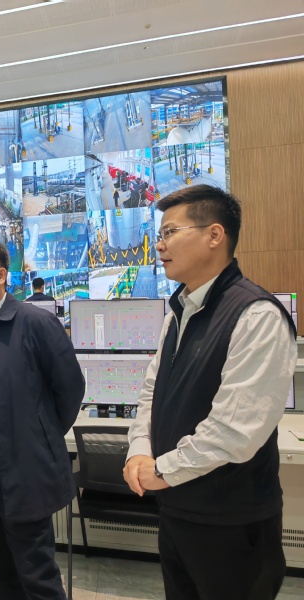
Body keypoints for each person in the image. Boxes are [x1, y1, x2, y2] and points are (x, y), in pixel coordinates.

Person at [123, 185, 297, 600]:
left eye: (170, 232)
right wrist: (139, 450)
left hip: (231, 522)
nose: (159, 245)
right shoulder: (179, 311)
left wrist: (160, 471)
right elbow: (153, 391)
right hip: (176, 510)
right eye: (160, 235)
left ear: (214, 235)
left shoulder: (256, 314)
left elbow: (235, 432)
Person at [0, 240, 85, 599]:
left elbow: (69, 389)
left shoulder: (35, 322)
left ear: (1, 276)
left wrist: (37, 435)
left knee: (35, 570)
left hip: (20, 466)